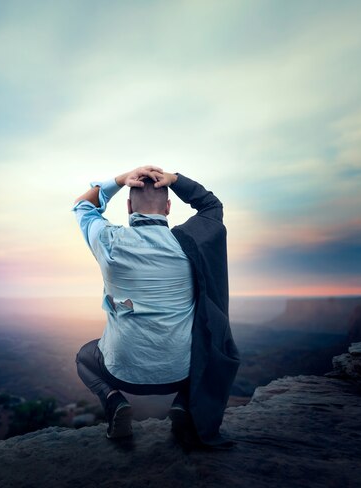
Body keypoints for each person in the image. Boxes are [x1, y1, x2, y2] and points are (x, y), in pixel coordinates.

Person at [72, 166, 239, 449]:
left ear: (127, 206)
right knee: (210, 345)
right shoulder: (190, 244)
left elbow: (82, 206)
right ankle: (184, 406)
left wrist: (118, 180)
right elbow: (211, 205)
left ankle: (114, 401)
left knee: (85, 357)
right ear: (169, 207)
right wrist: (175, 180)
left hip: (121, 371)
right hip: (182, 372)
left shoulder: (108, 241)